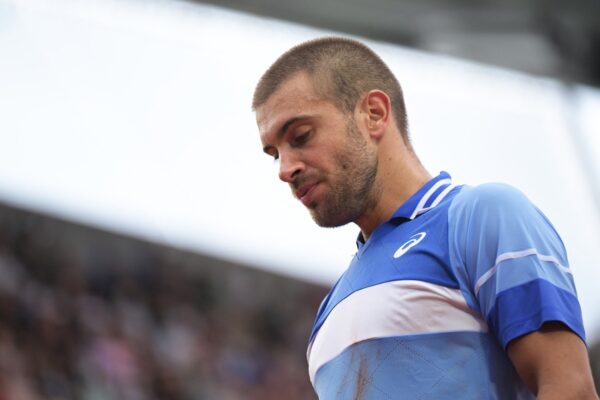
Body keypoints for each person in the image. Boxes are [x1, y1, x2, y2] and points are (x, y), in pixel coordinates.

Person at [252, 37, 598, 399]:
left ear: (373, 113)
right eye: (275, 153)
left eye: (301, 136)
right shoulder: (327, 315)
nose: (285, 169)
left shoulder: (481, 217)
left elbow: (570, 390)